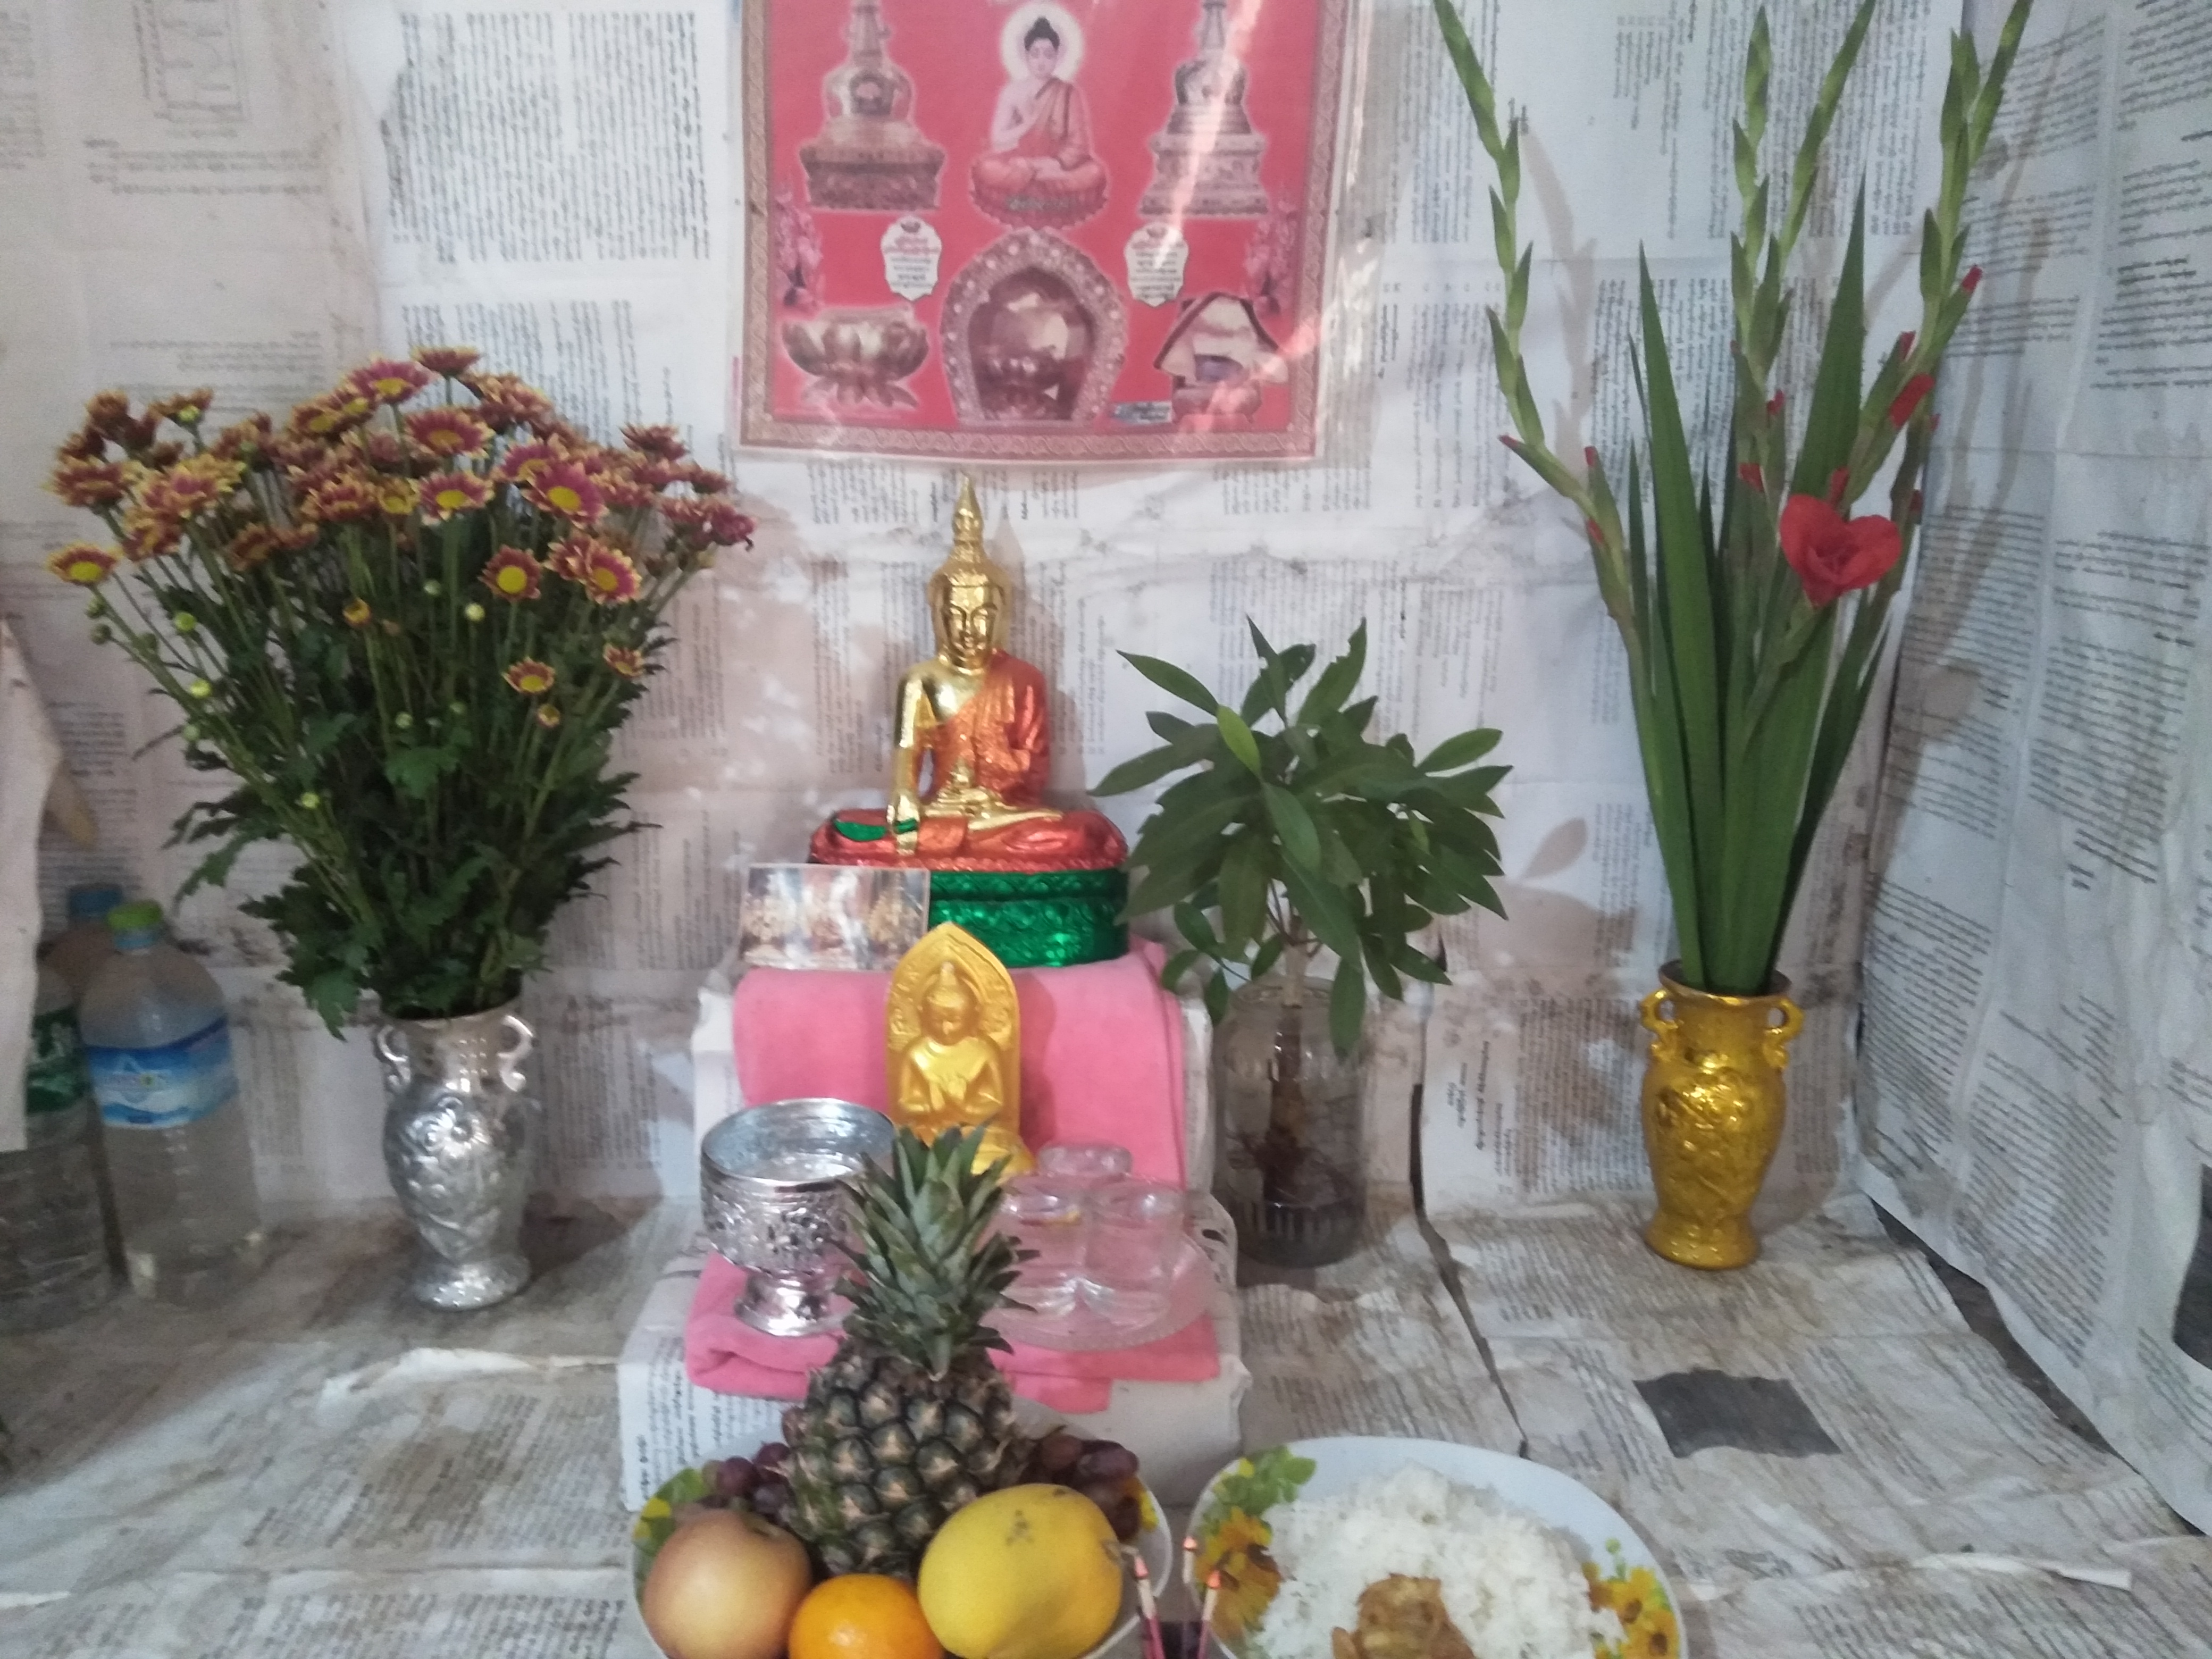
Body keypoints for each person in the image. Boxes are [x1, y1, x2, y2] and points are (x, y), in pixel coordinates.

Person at [970, 15, 1109, 227]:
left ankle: (1030, 183)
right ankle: (1041, 184)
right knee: (985, 167)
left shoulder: (1069, 93)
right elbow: (998, 139)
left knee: (1095, 172)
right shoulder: (1012, 91)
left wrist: (1046, 165)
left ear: (1058, 57)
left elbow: (1079, 146)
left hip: (1055, 165)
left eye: (1048, 55)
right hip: (1019, 161)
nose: (1042, 61)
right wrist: (1027, 124)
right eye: (1035, 54)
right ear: (1026, 56)